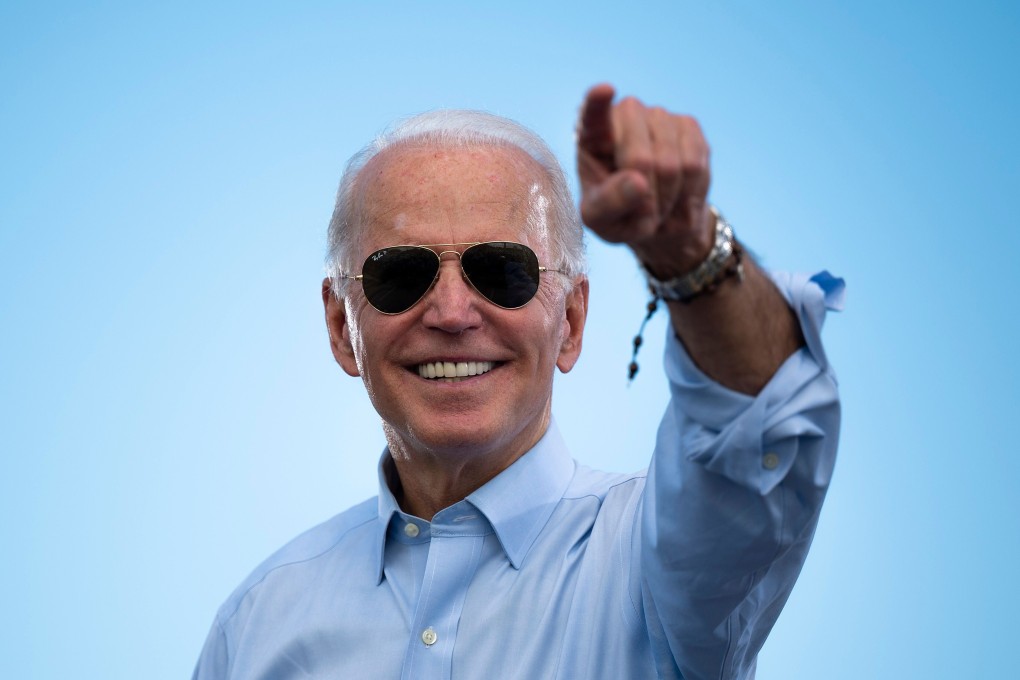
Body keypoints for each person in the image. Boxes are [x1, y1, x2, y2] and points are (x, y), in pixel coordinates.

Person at [192, 83, 843, 679]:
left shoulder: (659, 568)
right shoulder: (256, 626)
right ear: (341, 328)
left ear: (572, 321)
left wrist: (691, 253)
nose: (450, 313)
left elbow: (761, 419)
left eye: (503, 271)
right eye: (401, 275)